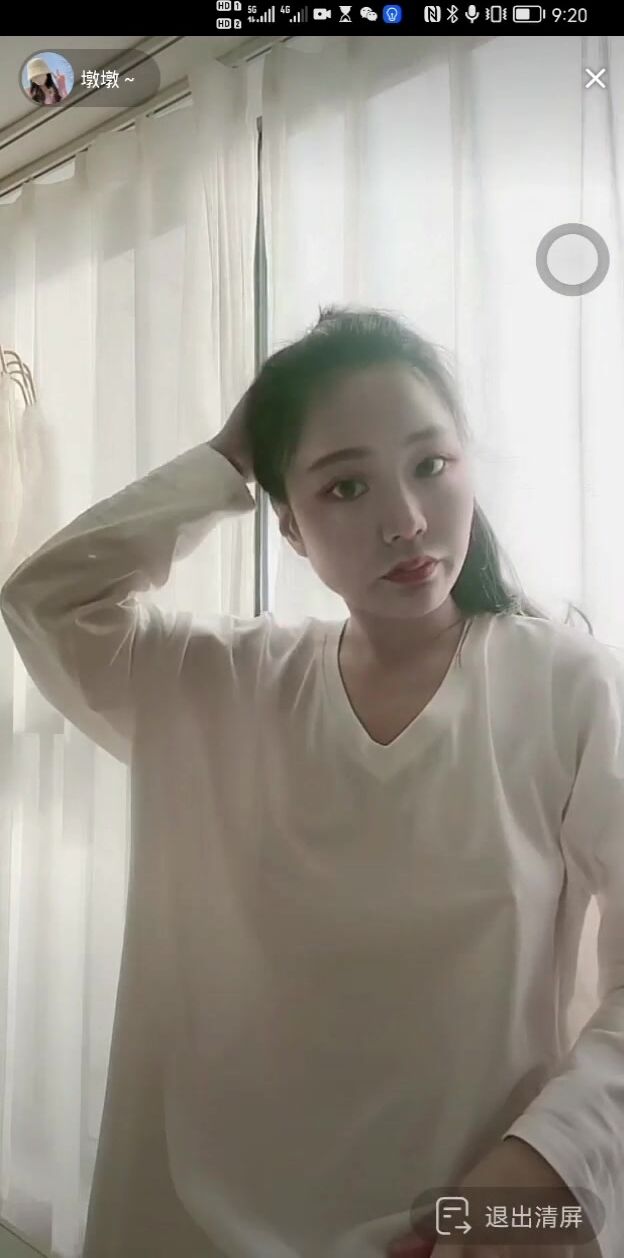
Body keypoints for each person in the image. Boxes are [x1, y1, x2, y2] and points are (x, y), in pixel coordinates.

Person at [0, 306, 618, 1258]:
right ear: (287, 524)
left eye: (431, 465)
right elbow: (44, 601)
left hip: (460, 1229)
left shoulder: (564, 684)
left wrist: (545, 1164)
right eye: (345, 486)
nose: (405, 520)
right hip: (199, 1232)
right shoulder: (225, 683)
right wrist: (224, 461)